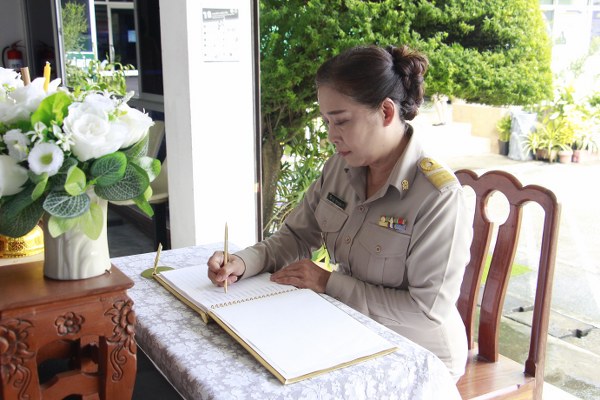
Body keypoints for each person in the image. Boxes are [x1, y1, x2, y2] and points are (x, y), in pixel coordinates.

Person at [207, 44, 472, 380]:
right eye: (327, 121)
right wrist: (243, 262)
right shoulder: (340, 168)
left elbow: (425, 311)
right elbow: (297, 235)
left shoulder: (438, 197)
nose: (331, 135)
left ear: (386, 112)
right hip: (351, 328)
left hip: (417, 354)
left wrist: (328, 282)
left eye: (342, 121)